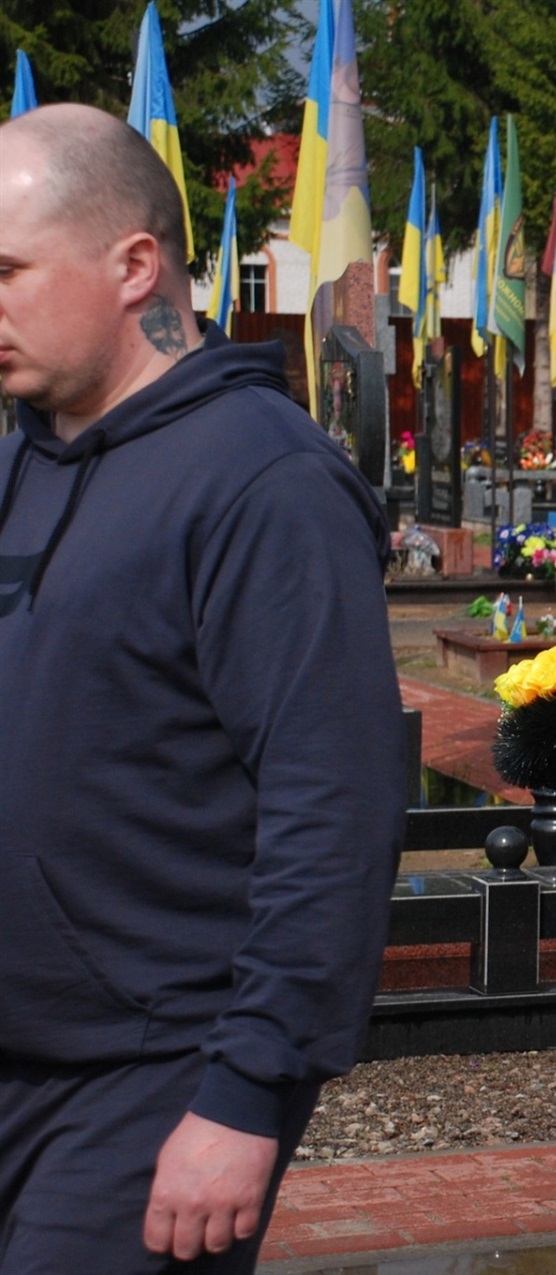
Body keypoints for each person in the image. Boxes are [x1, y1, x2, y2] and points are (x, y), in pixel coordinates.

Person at [0, 106, 405, 1271]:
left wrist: (245, 1092)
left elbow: (333, 807)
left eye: (12, 272)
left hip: (155, 1070)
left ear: (134, 266)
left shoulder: (264, 483)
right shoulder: (25, 460)